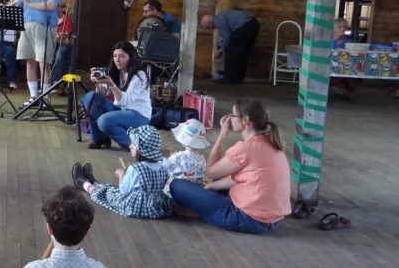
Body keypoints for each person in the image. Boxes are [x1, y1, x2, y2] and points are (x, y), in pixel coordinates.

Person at [169, 98, 291, 234]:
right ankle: (204, 208)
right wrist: (211, 186)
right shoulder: (272, 144)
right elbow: (243, 178)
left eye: (233, 115)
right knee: (219, 178)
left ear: (245, 120)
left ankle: (202, 211)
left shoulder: (245, 148)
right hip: (272, 220)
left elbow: (210, 171)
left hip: (247, 219)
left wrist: (222, 135)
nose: (230, 119)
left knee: (176, 185)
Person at [71, 125, 173, 219]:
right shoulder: (162, 167)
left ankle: (84, 183)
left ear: (143, 150)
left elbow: (123, 190)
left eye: (133, 144)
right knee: (110, 189)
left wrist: (121, 174)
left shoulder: (135, 168)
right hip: (154, 207)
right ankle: (94, 182)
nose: (130, 146)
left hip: (136, 207)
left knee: (108, 194)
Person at [81, 41, 152, 150]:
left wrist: (112, 85)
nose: (117, 60)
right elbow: (102, 94)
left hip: (138, 115)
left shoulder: (139, 75)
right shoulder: (115, 72)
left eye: (122, 56)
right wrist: (97, 83)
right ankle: (100, 139)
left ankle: (134, 146)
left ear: (131, 57)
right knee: (91, 97)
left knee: (104, 121)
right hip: (120, 110)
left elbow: (126, 101)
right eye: (115, 56)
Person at [14, 0, 63, 104]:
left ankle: (45, 98)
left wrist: (29, 3)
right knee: (30, 61)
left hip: (45, 26)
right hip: (27, 26)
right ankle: (33, 96)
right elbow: (21, 4)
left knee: (44, 62)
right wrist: (17, 2)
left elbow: (52, 5)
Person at [201, 10, 260, 84]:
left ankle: (228, 78)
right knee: (243, 53)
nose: (209, 29)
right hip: (254, 24)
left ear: (209, 23)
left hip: (245, 26)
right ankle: (238, 77)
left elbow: (227, 38)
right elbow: (229, 36)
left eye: (207, 27)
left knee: (231, 51)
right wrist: (221, 47)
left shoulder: (218, 21)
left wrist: (220, 51)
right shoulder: (221, 16)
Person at [162, 118, 210, 189]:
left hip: (177, 191)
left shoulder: (177, 157)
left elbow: (165, 168)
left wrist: (171, 158)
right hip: (195, 189)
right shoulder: (202, 159)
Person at [52, 5, 75, 95]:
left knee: (60, 54)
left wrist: (58, 38)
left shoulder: (68, 20)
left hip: (63, 44)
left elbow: (67, 40)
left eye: (57, 7)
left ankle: (58, 82)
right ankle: (44, 83)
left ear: (61, 8)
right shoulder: (50, 19)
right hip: (52, 44)